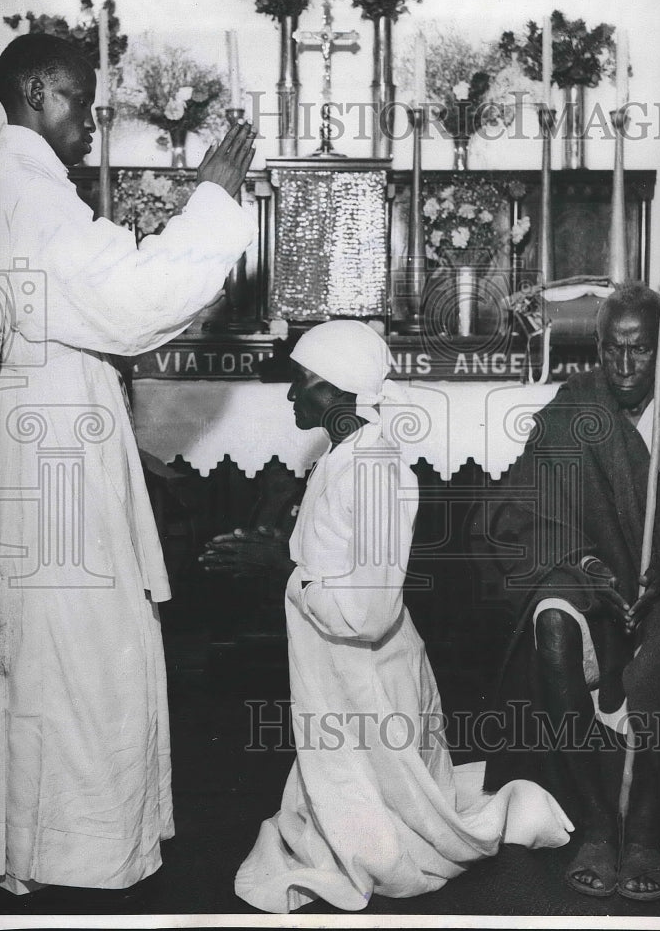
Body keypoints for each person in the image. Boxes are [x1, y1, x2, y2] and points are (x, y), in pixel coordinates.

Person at [0, 33, 256, 897]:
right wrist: (210, 204)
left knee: (71, 647)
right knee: (78, 651)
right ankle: (72, 856)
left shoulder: (24, 187)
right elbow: (130, 300)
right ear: (36, 89)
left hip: (51, 437)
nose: (94, 124)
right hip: (53, 457)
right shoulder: (24, 192)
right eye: (81, 100)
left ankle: (52, 844)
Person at [199, 320, 574, 914]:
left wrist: (283, 571)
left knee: (385, 842)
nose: (292, 396)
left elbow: (367, 615)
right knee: (339, 804)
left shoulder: (375, 468)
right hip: (343, 682)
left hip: (371, 685)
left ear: (335, 390)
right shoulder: (345, 453)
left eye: (301, 383)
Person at [482, 281, 660, 902]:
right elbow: (534, 508)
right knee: (552, 621)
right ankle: (594, 823)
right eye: (612, 349)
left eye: (639, 351)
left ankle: (642, 833)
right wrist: (586, 565)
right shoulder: (575, 405)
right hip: (589, 574)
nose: (623, 365)